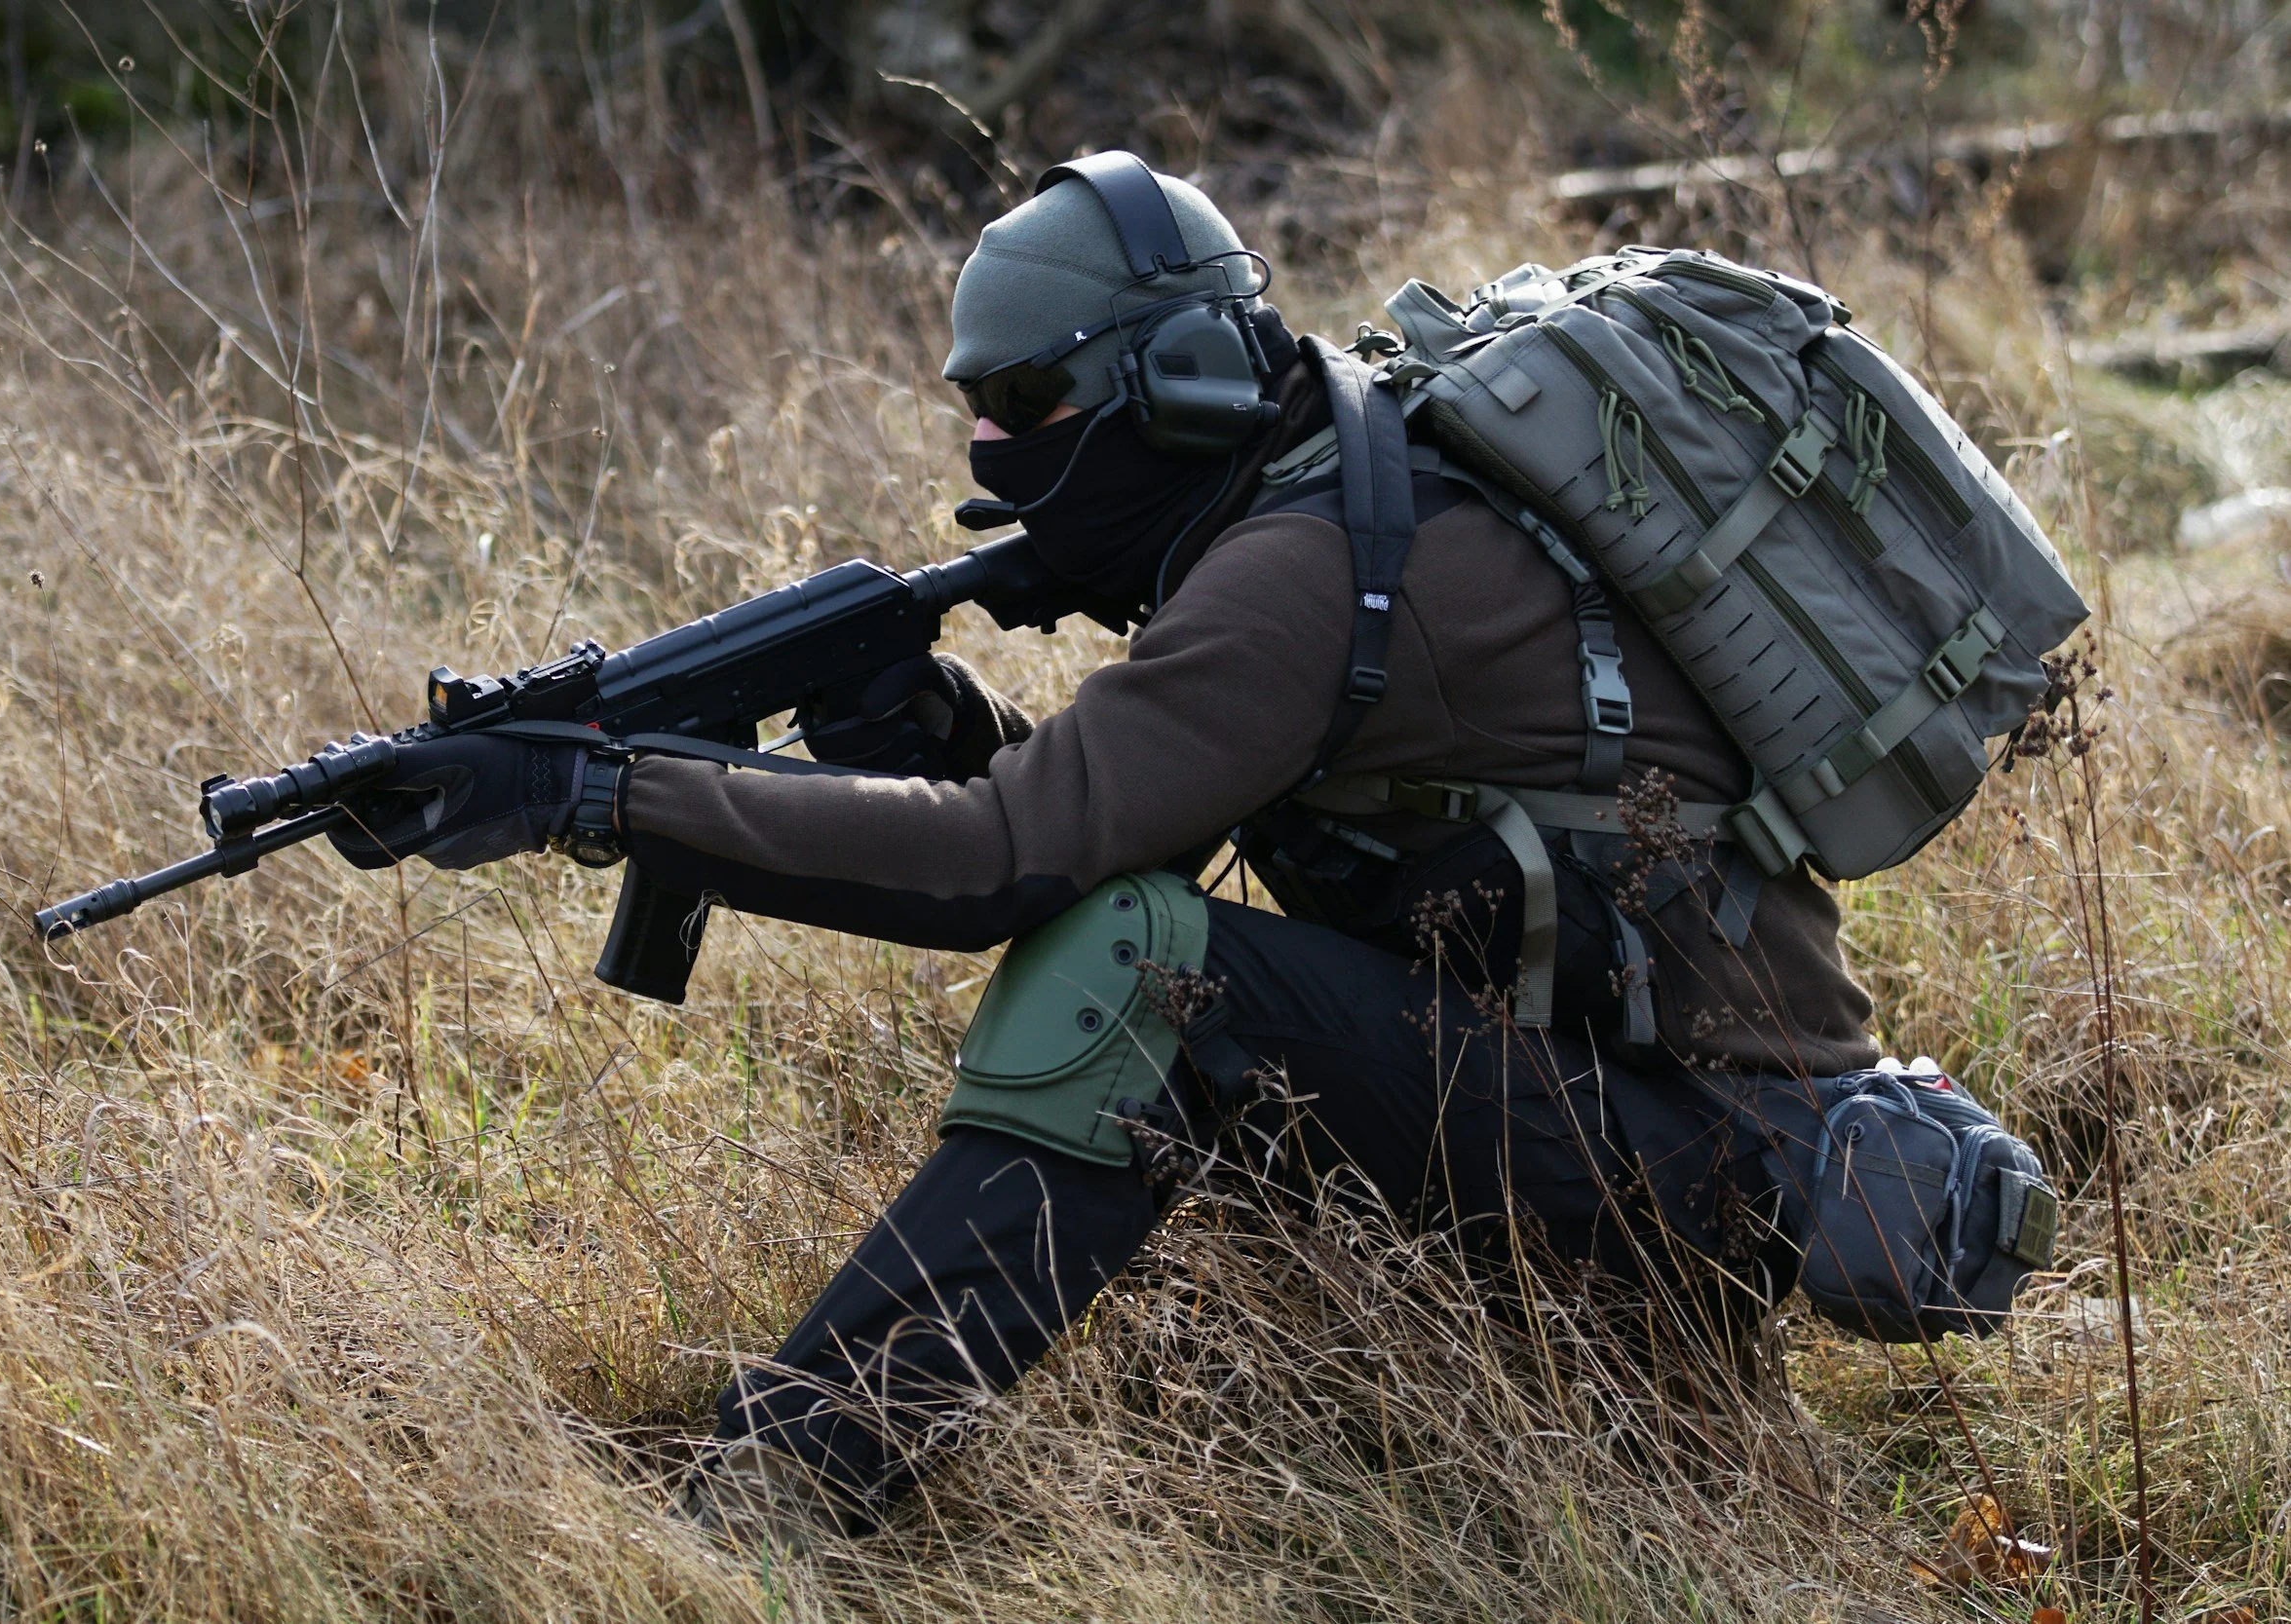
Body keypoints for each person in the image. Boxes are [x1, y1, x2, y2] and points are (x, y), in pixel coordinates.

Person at [326, 154, 1879, 1541]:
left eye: (1026, 403)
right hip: (1631, 1113)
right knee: (1149, 943)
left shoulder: (1303, 569)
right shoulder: (1336, 482)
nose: (991, 446)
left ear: (1182, 383)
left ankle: (767, 1502)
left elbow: (1002, 864)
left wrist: (603, 793)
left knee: (1145, 974)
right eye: (975, 406)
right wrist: (940, 720)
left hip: (1711, 1171)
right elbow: (1103, 812)